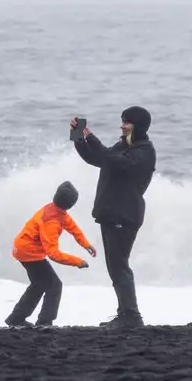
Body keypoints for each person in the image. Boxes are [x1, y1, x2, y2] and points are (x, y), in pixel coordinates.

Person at [71, 107, 156, 329]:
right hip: (111, 214)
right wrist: (79, 136)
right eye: (122, 121)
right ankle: (125, 313)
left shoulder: (144, 152)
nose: (122, 125)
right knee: (114, 267)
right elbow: (97, 158)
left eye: (127, 122)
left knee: (119, 266)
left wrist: (91, 136)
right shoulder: (123, 147)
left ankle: (131, 315)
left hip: (124, 215)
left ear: (139, 126)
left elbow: (113, 160)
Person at [5, 181, 96, 328]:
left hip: (23, 248)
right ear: (71, 204)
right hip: (28, 252)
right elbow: (54, 254)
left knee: (39, 284)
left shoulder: (55, 210)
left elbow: (72, 227)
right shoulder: (51, 222)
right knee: (54, 285)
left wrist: (85, 244)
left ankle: (16, 318)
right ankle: (44, 322)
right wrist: (78, 262)